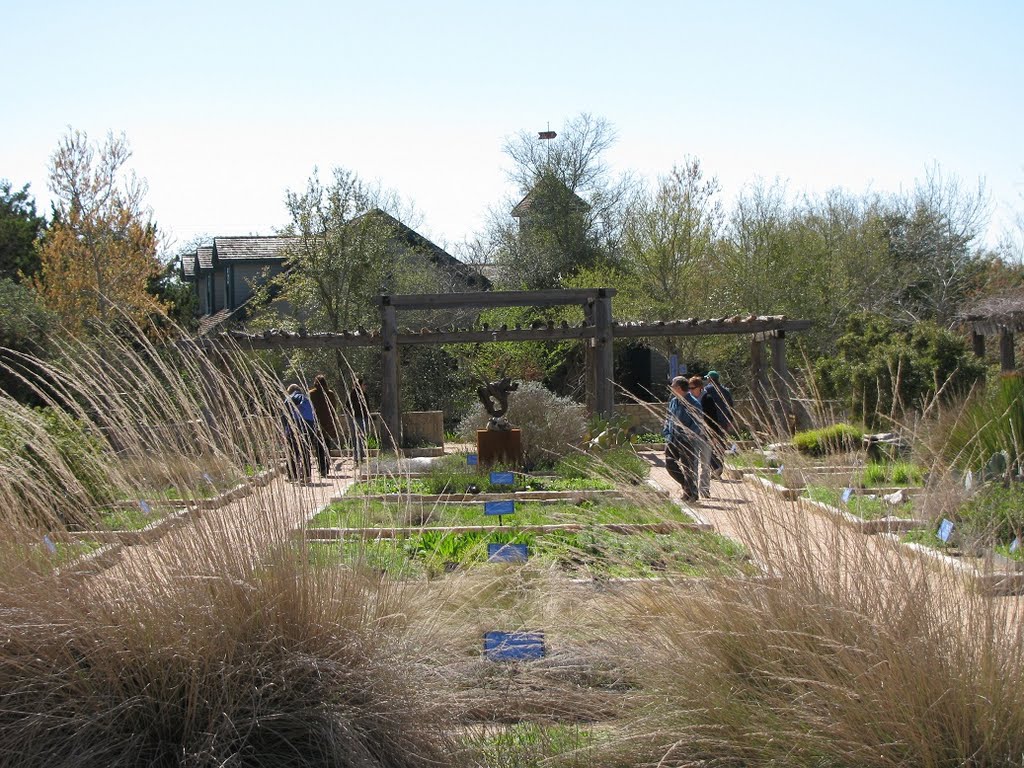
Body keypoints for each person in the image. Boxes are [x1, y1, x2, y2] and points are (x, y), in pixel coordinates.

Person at [662, 375, 703, 502]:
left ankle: (692, 494)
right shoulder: (674, 401)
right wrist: (667, 432)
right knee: (670, 464)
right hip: (673, 439)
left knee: (688, 468)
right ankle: (686, 486)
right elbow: (669, 418)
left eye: (672, 386)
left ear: (679, 388)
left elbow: (697, 424)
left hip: (687, 441)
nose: (671, 388)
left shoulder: (693, 403)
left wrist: (688, 436)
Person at [701, 370, 735, 480]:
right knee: (721, 445)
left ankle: (715, 467)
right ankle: (719, 466)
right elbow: (731, 407)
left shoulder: (706, 391)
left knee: (708, 445)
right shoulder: (726, 391)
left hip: (710, 422)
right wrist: (730, 421)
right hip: (724, 423)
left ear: (710, 379)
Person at [308, 374, 340, 478]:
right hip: (328, 422)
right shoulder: (330, 393)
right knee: (326, 445)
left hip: (317, 423)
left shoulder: (312, 394)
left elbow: (310, 408)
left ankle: (322, 467)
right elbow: (334, 407)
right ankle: (326, 466)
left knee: (318, 447)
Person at [283, 384, 316, 483]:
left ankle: (291, 475)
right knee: (305, 451)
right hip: (309, 426)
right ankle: (307, 476)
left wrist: (286, 431)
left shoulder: (289, 398)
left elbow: (284, 416)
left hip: (296, 424)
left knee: (293, 451)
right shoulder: (307, 399)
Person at [347, 376, 370, 465]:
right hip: (357, 419)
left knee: (359, 439)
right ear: (359, 385)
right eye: (364, 384)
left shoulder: (364, 395)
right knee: (358, 439)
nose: (365, 386)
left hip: (361, 418)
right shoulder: (353, 395)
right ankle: (358, 458)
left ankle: (359, 457)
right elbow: (348, 406)